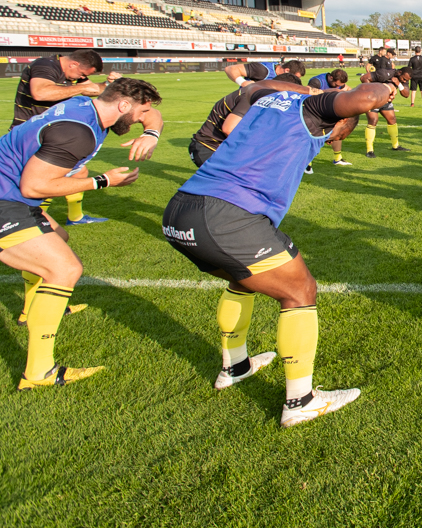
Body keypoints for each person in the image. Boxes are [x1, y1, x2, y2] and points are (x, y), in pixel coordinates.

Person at [162, 79, 398, 427]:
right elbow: (365, 98)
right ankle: (300, 401)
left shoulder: (268, 103)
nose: (331, 142)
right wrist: (384, 88)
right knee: (300, 291)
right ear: (335, 119)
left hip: (181, 210)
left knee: (243, 281)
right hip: (227, 217)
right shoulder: (313, 110)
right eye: (336, 136)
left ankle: (235, 367)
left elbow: (262, 86)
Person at [4, 78, 163, 389]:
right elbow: (34, 186)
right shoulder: (78, 132)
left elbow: (149, 114)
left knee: (58, 238)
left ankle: (28, 310)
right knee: (64, 269)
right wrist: (103, 181)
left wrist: (151, 132)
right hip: (7, 199)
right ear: (123, 106)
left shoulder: (88, 106)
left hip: (12, 196)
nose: (143, 118)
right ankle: (39, 373)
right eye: (140, 112)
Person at [11, 49, 119, 226]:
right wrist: (82, 87)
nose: (81, 78)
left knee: (78, 172)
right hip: (30, 135)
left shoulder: (72, 74)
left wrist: (109, 85)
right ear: (73, 64)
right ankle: (30, 220)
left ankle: (75, 218)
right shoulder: (45, 65)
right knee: (38, 182)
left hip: (51, 133)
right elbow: (40, 92)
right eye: (82, 74)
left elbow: (92, 90)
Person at [189, 75, 310, 168]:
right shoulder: (251, 96)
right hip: (208, 148)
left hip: (218, 148)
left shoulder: (258, 94)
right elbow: (229, 128)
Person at [358, 67, 412, 157]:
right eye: (404, 79)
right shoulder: (384, 73)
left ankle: (395, 145)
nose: (405, 81)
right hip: (373, 100)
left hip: (386, 101)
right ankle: (369, 150)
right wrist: (375, 91)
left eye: (406, 80)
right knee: (373, 120)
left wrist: (399, 84)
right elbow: (363, 78)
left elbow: (406, 94)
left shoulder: (403, 79)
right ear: (399, 72)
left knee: (392, 119)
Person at [308, 70, 352, 166]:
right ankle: (307, 163)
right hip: (315, 113)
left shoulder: (338, 83)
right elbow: (309, 95)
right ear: (331, 78)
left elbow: (348, 89)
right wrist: (330, 91)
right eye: (336, 85)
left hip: (329, 110)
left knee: (337, 132)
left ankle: (337, 158)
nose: (337, 87)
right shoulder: (317, 81)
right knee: (312, 137)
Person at [223, 59, 306, 86]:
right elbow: (230, 69)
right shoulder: (262, 70)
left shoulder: (279, 72)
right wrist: (243, 83)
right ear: (287, 70)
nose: (295, 80)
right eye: (295, 77)